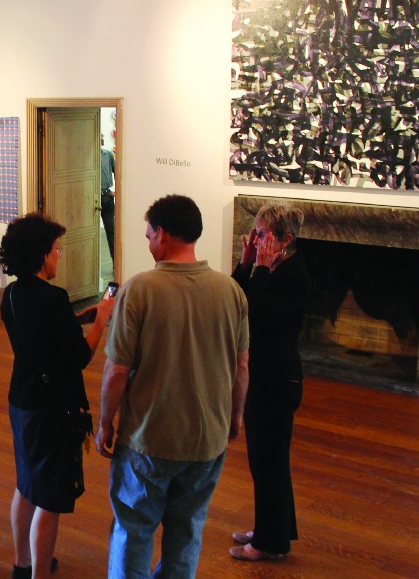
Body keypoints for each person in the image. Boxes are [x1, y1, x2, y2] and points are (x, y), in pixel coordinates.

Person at [97, 194, 250, 578]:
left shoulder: (139, 289)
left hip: (148, 439)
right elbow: (241, 366)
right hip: (207, 439)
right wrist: (235, 416)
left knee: (134, 529)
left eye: (149, 235)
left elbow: (116, 370)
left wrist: (105, 423)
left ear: (162, 234)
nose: (148, 243)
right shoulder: (231, 291)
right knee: (187, 530)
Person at [0, 213, 116, 579]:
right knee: (49, 498)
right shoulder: (52, 297)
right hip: (51, 408)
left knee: (27, 484)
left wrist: (76, 317)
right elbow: (80, 356)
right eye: (55, 250)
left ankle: (23, 563)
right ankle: (40, 573)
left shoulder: (12, 294)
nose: (58, 256)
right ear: (41, 255)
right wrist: (101, 321)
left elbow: (42, 335)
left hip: (23, 398)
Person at [229, 203, 312, 562]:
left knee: (270, 461)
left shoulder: (294, 275)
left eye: (263, 235)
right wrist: (248, 263)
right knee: (264, 461)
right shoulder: (271, 268)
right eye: (256, 232)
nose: (256, 239)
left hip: (279, 379)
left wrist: (260, 269)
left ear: (286, 240)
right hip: (265, 375)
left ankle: (268, 541)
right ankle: (271, 530)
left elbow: (259, 315)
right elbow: (235, 299)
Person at [100, 135, 116, 259]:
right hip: (91, 198)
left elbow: (118, 172)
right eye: (100, 135)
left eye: (102, 135)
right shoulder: (85, 157)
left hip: (107, 198)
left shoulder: (108, 155)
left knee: (111, 232)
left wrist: (117, 192)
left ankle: (116, 263)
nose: (102, 137)